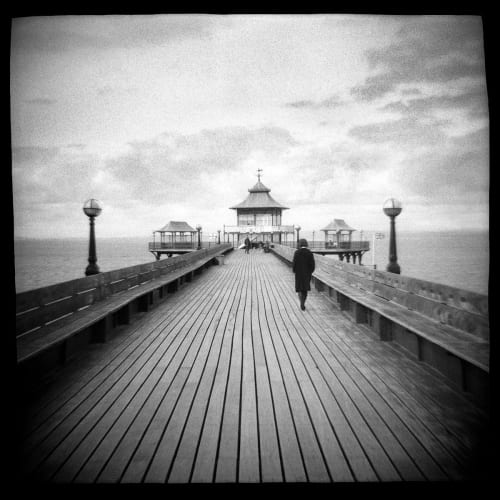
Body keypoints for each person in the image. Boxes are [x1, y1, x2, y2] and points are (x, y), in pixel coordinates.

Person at [292, 238, 315, 310]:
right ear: (306, 244)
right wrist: (310, 272)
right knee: (305, 289)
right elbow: (312, 265)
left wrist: (294, 271)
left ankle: (301, 303)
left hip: (298, 274)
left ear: (300, 244)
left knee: (299, 289)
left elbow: (294, 263)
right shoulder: (309, 253)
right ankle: (303, 303)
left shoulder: (297, 252)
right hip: (306, 274)